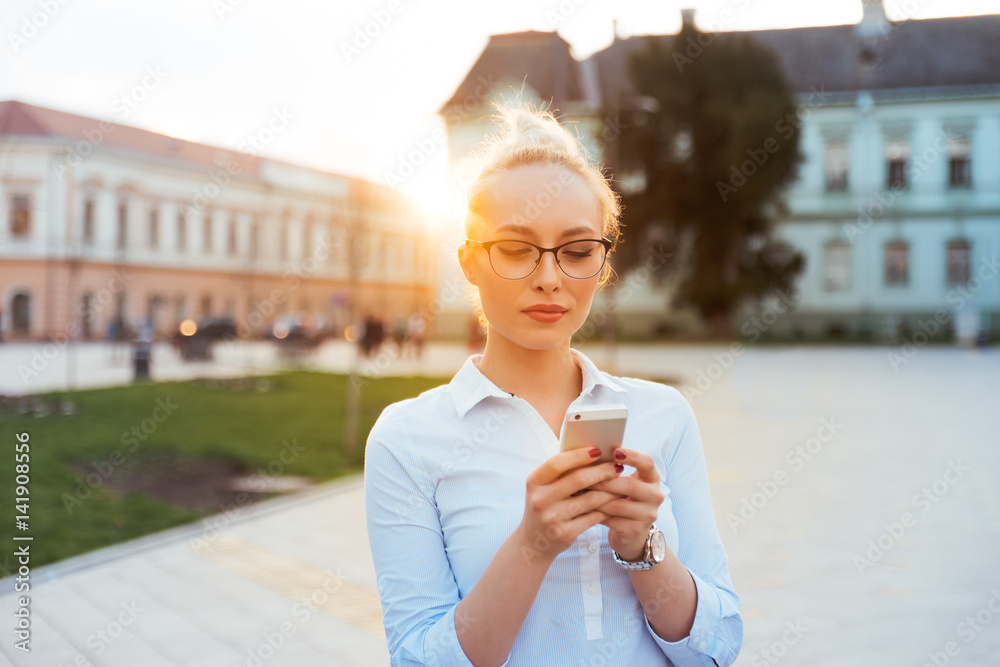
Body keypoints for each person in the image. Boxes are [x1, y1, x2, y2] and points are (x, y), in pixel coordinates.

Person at [364, 103, 742, 667]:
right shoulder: (407, 439)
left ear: (603, 264)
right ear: (469, 260)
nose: (548, 278)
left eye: (578, 251)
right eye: (516, 249)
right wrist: (532, 545)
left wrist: (643, 550)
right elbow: (417, 658)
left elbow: (718, 648)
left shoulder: (664, 414)